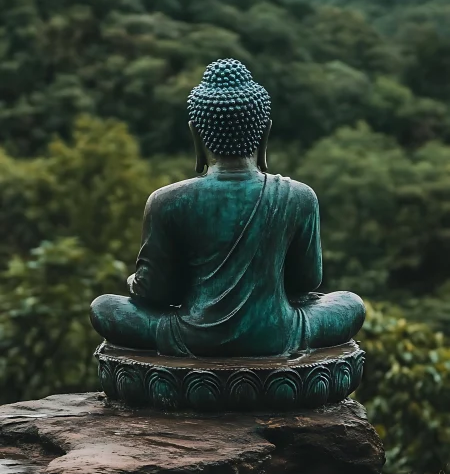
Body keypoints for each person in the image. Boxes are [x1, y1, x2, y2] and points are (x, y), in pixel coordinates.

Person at [90, 58, 365, 357]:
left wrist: (136, 282)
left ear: (196, 135)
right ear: (264, 134)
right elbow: (306, 282)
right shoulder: (299, 197)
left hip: (189, 337)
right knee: (350, 303)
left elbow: (155, 293)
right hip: (280, 335)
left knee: (104, 308)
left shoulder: (165, 201)